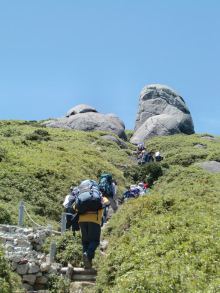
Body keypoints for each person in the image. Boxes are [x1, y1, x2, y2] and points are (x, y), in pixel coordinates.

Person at [74, 183, 109, 269]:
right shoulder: (99, 197)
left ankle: (87, 263)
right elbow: (107, 203)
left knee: (85, 242)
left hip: (82, 221)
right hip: (94, 221)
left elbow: (75, 207)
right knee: (95, 241)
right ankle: (88, 254)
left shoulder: (82, 196)